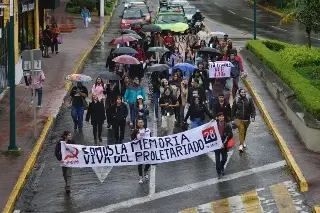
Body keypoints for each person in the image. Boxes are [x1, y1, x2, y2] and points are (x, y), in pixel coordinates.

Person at [131, 118, 152, 184]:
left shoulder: (147, 130)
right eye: (139, 122)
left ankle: (145, 171)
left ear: (143, 123)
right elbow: (131, 140)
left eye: (141, 122)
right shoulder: (135, 131)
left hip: (147, 149)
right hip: (139, 150)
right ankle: (140, 177)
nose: (140, 124)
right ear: (137, 124)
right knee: (140, 164)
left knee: (149, 162)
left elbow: (151, 139)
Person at [214, 112, 233, 179]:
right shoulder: (214, 125)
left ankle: (222, 166)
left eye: (222, 116)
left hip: (223, 142)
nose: (221, 117)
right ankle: (219, 172)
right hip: (216, 143)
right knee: (217, 159)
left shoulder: (227, 126)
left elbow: (230, 135)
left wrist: (224, 143)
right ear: (218, 117)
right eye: (220, 116)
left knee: (224, 158)